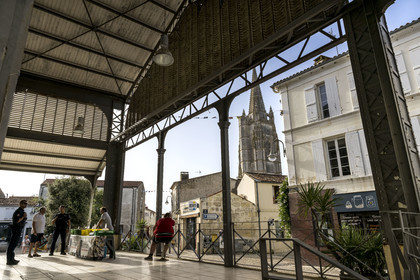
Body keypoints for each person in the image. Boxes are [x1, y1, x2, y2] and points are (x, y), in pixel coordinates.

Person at [7, 199, 27, 265]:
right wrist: (23, 216)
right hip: (16, 229)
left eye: (26, 204)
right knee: (12, 245)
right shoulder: (18, 211)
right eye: (24, 203)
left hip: (19, 229)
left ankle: (12, 259)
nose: (25, 205)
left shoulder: (22, 211)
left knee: (14, 244)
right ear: (20, 204)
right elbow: (16, 221)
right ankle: (9, 260)